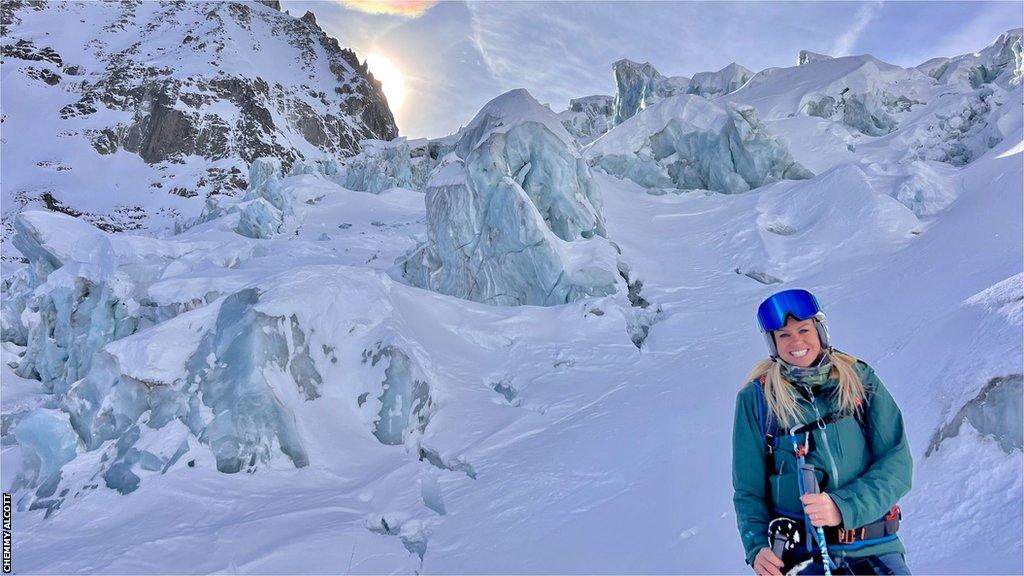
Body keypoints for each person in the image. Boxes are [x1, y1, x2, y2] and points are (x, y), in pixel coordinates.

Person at [732, 289, 913, 575]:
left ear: (820, 331)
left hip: (874, 545)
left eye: (804, 329)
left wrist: (841, 507)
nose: (797, 342)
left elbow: (897, 465)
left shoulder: (860, 380)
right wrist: (756, 548)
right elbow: (748, 491)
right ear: (773, 344)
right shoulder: (756, 400)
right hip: (802, 555)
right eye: (784, 335)